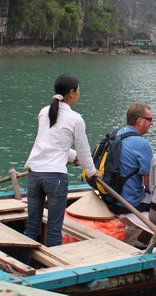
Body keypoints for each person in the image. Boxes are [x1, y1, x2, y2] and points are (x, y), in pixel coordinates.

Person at [23, 74, 103, 247]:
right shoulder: (76, 119)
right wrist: (92, 171)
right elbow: (84, 150)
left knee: (31, 226)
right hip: (55, 178)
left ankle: (23, 264)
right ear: (72, 93)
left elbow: (50, 143)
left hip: (35, 174)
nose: (80, 93)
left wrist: (73, 157)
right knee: (53, 229)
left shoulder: (44, 112)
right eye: (79, 90)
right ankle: (53, 269)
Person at [113, 103, 154, 214]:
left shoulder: (116, 135)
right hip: (130, 204)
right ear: (140, 120)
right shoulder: (142, 144)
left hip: (112, 199)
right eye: (149, 119)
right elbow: (150, 185)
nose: (152, 123)